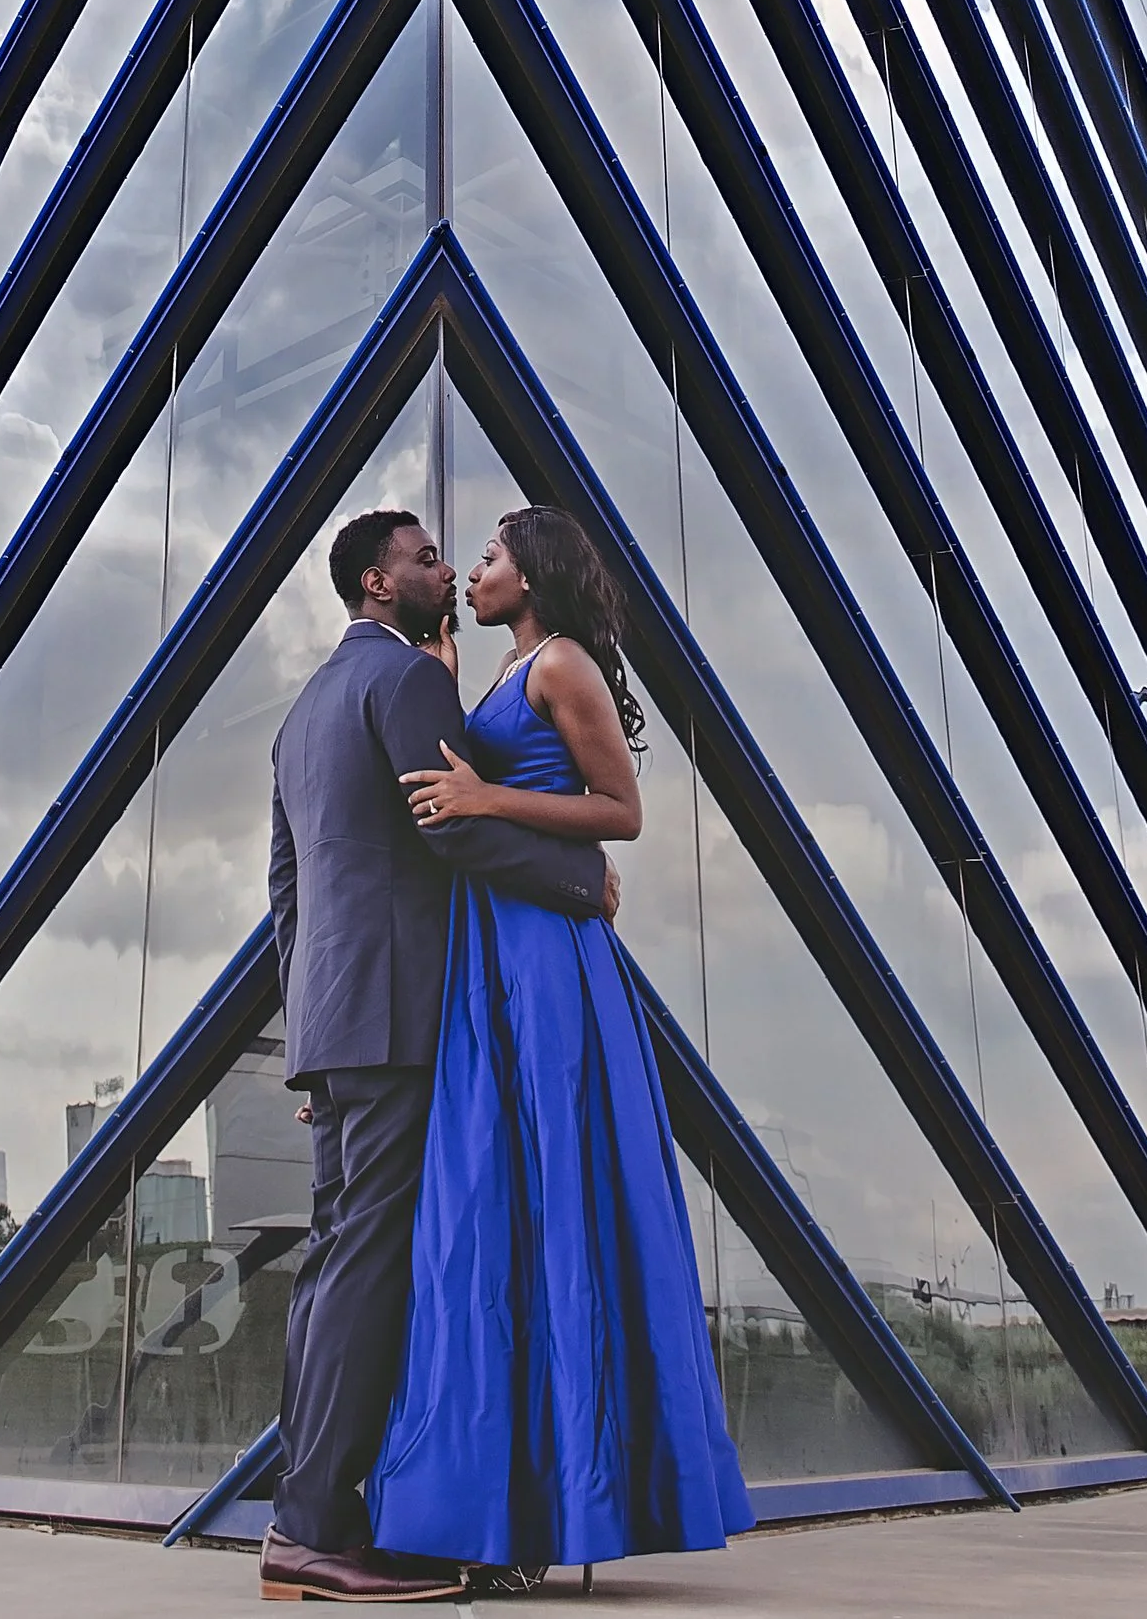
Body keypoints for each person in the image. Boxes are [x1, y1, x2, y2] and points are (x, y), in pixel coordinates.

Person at [371, 505, 753, 1574]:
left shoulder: (562, 664)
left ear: (530, 574)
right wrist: (443, 677)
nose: (470, 571)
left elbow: (622, 810)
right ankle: (511, 1505)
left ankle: (563, 1507)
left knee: (550, 1192)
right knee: (490, 1203)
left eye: (486, 557)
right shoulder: (501, 671)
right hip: (492, 948)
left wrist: (488, 793)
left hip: (544, 958)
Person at [263, 508, 619, 1607]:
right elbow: (446, 824)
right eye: (425, 559)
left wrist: (306, 1048)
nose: (444, 569)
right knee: (369, 1266)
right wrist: (582, 882)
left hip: (335, 1023)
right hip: (404, 1018)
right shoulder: (407, 684)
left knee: (330, 1266)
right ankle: (314, 1529)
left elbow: (288, 896)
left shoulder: (302, 710)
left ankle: (313, 1515)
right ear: (379, 582)